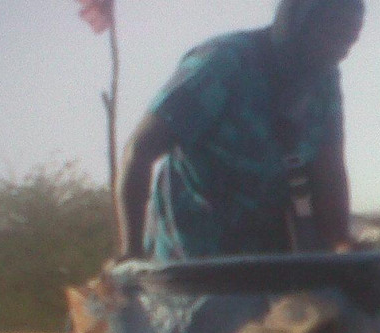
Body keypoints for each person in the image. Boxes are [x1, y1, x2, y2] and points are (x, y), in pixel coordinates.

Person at [114, 0, 364, 263]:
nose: (341, 51)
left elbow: (329, 170)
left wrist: (341, 242)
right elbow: (139, 150)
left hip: (267, 263)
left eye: (350, 40)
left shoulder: (323, 79)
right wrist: (131, 252)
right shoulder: (221, 63)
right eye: (333, 33)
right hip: (190, 264)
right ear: (300, 22)